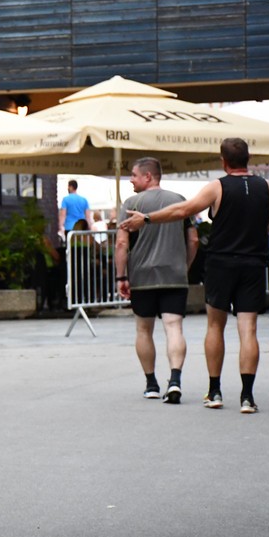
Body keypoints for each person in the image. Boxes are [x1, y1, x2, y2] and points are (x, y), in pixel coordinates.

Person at [118, 138, 269, 414]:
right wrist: (256, 233)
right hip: (253, 263)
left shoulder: (217, 187)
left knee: (215, 327)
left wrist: (146, 219)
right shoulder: (266, 188)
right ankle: (247, 396)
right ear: (249, 158)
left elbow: (183, 211)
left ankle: (215, 390)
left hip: (221, 264)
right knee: (248, 329)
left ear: (223, 161)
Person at [113, 157, 199, 403]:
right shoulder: (180, 201)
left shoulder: (131, 203)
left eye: (134, 175)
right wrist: (184, 266)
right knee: (174, 328)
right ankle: (175, 380)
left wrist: (121, 276)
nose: (131, 179)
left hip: (142, 276)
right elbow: (193, 240)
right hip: (174, 275)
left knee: (143, 329)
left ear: (148, 176)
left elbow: (121, 243)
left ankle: (151, 384)